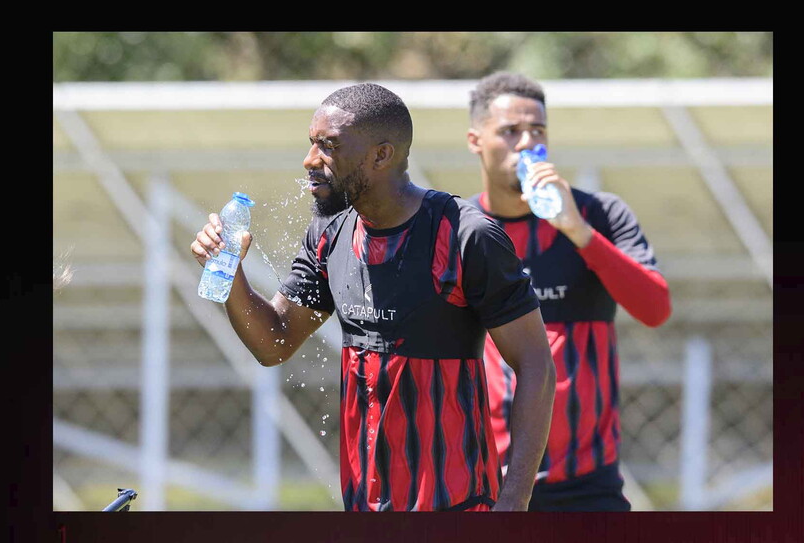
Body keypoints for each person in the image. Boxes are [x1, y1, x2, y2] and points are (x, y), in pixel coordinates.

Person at [191, 83, 556, 512]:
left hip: (457, 506)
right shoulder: (331, 231)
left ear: (382, 155)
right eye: (312, 144)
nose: (311, 161)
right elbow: (275, 343)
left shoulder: (464, 234)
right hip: (364, 507)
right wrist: (231, 276)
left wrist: (513, 505)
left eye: (328, 147)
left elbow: (536, 365)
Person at [465, 72, 672, 511]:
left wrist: (578, 231)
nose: (526, 143)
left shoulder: (600, 213)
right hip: (483, 482)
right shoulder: (459, 229)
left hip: (588, 486)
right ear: (475, 140)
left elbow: (655, 309)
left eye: (537, 131)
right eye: (509, 131)